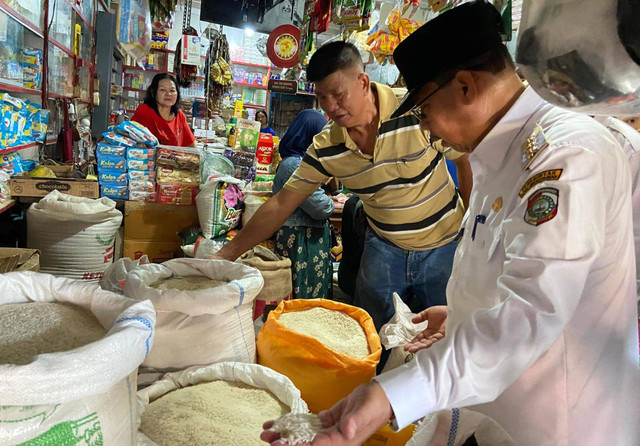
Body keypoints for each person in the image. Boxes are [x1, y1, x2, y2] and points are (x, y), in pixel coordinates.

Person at [261, 2, 639, 445]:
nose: (425, 126)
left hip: (563, 423)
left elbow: (529, 314)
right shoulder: (495, 154)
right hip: (498, 412)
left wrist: (388, 395)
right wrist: (460, 314)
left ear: (464, 87)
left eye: (423, 109)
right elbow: (507, 272)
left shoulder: (565, 158)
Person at [214, 41, 472, 335]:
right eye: (322, 97)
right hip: (384, 247)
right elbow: (281, 203)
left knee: (450, 333)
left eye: (338, 94)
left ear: (363, 82)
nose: (331, 107)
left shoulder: (416, 109)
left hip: (444, 244)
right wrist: (224, 256)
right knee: (366, 334)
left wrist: (475, 228)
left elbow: (465, 160)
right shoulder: (327, 146)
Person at [273, 109, 334, 299]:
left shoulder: (303, 162)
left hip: (305, 238)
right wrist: (330, 199)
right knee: (305, 294)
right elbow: (321, 208)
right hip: (301, 239)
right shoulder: (295, 165)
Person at [131, 73, 196, 147]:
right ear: (153, 92)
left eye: (172, 90)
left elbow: (191, 144)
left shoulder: (179, 115)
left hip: (173, 158)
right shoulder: (144, 111)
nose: (168, 94)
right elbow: (130, 138)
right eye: (162, 90)